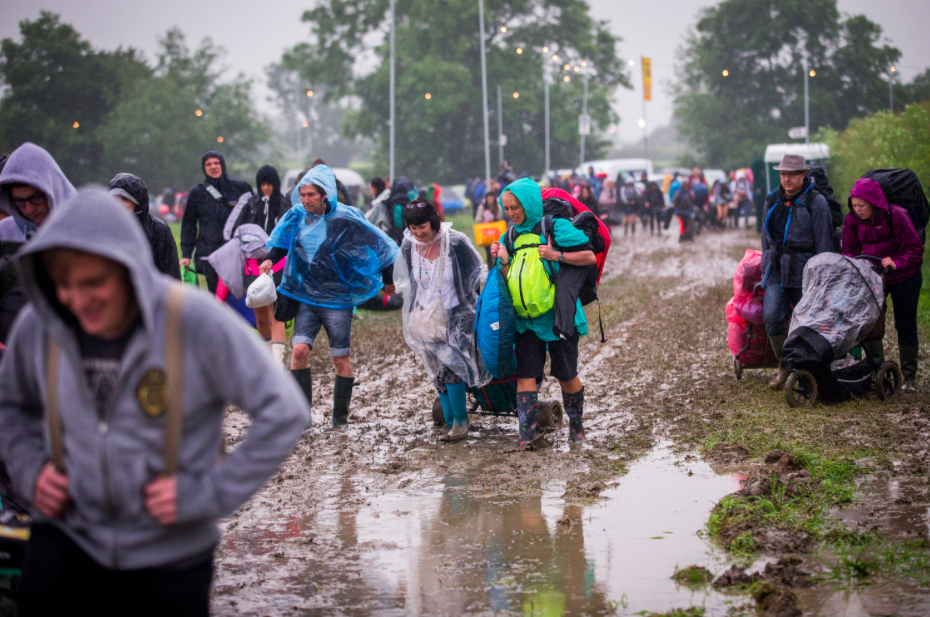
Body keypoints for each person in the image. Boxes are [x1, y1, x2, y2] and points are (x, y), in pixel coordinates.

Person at [0, 187, 309, 615]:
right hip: (64, 543)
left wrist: (211, 493)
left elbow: (284, 410)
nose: (77, 299)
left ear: (128, 267)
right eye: (63, 284)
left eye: (93, 282)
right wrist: (30, 469)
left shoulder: (194, 321)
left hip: (168, 556)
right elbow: (10, 405)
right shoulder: (38, 325)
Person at [260, 165, 398, 429]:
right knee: (299, 350)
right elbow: (281, 242)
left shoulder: (346, 218)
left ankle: (339, 419)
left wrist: (388, 280)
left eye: (311, 195)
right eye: (302, 194)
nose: (306, 200)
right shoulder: (297, 216)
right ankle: (302, 416)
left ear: (325, 195)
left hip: (337, 300)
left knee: (339, 358)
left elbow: (380, 246)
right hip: (306, 297)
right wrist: (268, 261)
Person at [489, 178, 596, 445]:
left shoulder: (554, 227)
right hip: (526, 322)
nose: (511, 213)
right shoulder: (509, 236)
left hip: (559, 317)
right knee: (526, 376)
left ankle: (576, 427)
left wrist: (556, 255)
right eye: (507, 208)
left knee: (566, 374)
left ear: (529, 204)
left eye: (516, 207)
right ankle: (526, 435)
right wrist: (503, 261)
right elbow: (510, 278)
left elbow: (588, 257)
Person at [395, 198, 487, 441]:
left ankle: (460, 421)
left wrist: (470, 309)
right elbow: (407, 281)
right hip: (426, 315)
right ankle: (449, 420)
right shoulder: (408, 246)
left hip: (458, 313)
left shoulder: (455, 242)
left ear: (434, 222)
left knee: (452, 364)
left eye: (422, 227)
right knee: (437, 369)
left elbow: (474, 275)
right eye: (413, 228)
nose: (418, 233)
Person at [842, 178, 924, 391]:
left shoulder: (897, 215)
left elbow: (915, 249)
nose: (858, 210)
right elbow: (849, 250)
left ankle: (909, 378)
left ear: (874, 203)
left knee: (904, 324)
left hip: (904, 276)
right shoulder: (851, 221)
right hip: (874, 277)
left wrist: (896, 263)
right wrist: (855, 265)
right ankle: (878, 368)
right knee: (868, 320)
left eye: (862, 205)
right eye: (854, 205)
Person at [761, 154, 834, 389]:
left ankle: (806, 371)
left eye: (791, 174)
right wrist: (766, 265)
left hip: (806, 269)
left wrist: (822, 278)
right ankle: (785, 366)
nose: (786, 179)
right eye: (783, 174)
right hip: (776, 267)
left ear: (803, 175)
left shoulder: (817, 202)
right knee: (772, 316)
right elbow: (765, 239)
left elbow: (824, 242)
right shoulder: (772, 199)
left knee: (806, 323)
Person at [0, 142, 76, 346]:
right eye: (19, 201)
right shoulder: (5, 231)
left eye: (36, 198)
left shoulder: (83, 226)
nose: (29, 209)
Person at [224, 165, 290, 364]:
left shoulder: (284, 205)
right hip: (253, 266)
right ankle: (266, 355)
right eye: (263, 184)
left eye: (270, 184)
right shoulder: (250, 204)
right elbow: (238, 229)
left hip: (278, 264)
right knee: (260, 314)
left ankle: (278, 359)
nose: (266, 188)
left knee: (275, 313)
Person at [180, 150, 252, 294]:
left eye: (216, 163)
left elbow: (252, 218)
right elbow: (189, 225)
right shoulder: (197, 193)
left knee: (239, 295)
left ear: (222, 165)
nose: (213, 167)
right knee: (217, 296)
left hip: (236, 251)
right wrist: (186, 254)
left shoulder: (240, 187)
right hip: (209, 253)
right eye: (208, 164)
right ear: (204, 168)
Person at [107, 173, 181, 280]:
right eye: (115, 198)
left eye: (124, 199)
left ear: (136, 201)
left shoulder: (158, 230)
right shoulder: (105, 229)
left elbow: (171, 276)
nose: (119, 204)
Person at [475, 192, 504, 266]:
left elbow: (500, 217)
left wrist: (494, 219)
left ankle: (497, 265)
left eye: (492, 198)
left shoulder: (498, 207)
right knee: (488, 251)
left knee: (497, 249)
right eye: (489, 198)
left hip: (495, 232)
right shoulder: (482, 207)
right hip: (486, 233)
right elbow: (478, 219)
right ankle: (490, 266)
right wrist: (484, 221)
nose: (490, 200)